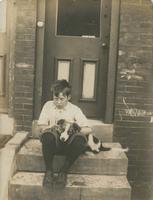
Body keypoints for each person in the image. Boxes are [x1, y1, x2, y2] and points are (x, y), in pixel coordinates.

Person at [38, 79, 92, 188]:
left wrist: (73, 128)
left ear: (69, 97)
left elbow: (89, 129)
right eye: (55, 98)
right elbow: (40, 126)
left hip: (69, 145)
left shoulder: (74, 109)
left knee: (80, 139)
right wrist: (52, 128)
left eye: (62, 99)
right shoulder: (48, 106)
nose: (58, 102)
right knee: (47, 135)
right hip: (54, 144)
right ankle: (49, 171)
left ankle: (63, 172)